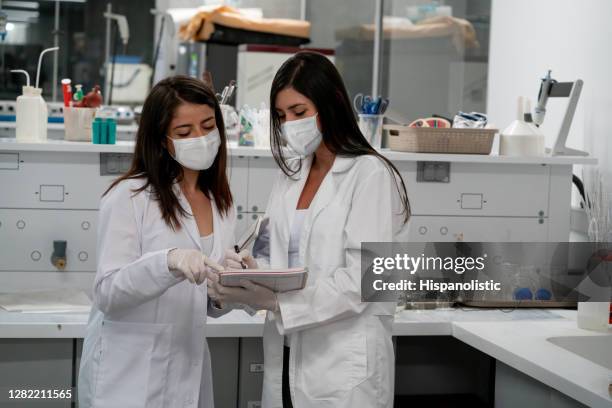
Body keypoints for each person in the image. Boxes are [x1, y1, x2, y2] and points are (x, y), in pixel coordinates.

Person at [208, 51, 411, 408]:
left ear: (331, 102)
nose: (289, 124)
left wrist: (276, 301)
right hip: (284, 357)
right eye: (281, 116)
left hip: (343, 368)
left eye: (299, 112)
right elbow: (269, 253)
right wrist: (240, 276)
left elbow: (363, 283)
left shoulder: (370, 175)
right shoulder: (291, 176)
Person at [78, 76, 235, 408]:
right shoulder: (129, 197)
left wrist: (228, 288)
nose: (201, 138)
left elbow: (205, 304)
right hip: (129, 377)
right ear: (162, 140)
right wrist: (167, 262)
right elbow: (108, 293)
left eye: (208, 126)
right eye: (184, 132)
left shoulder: (220, 201)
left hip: (187, 367)